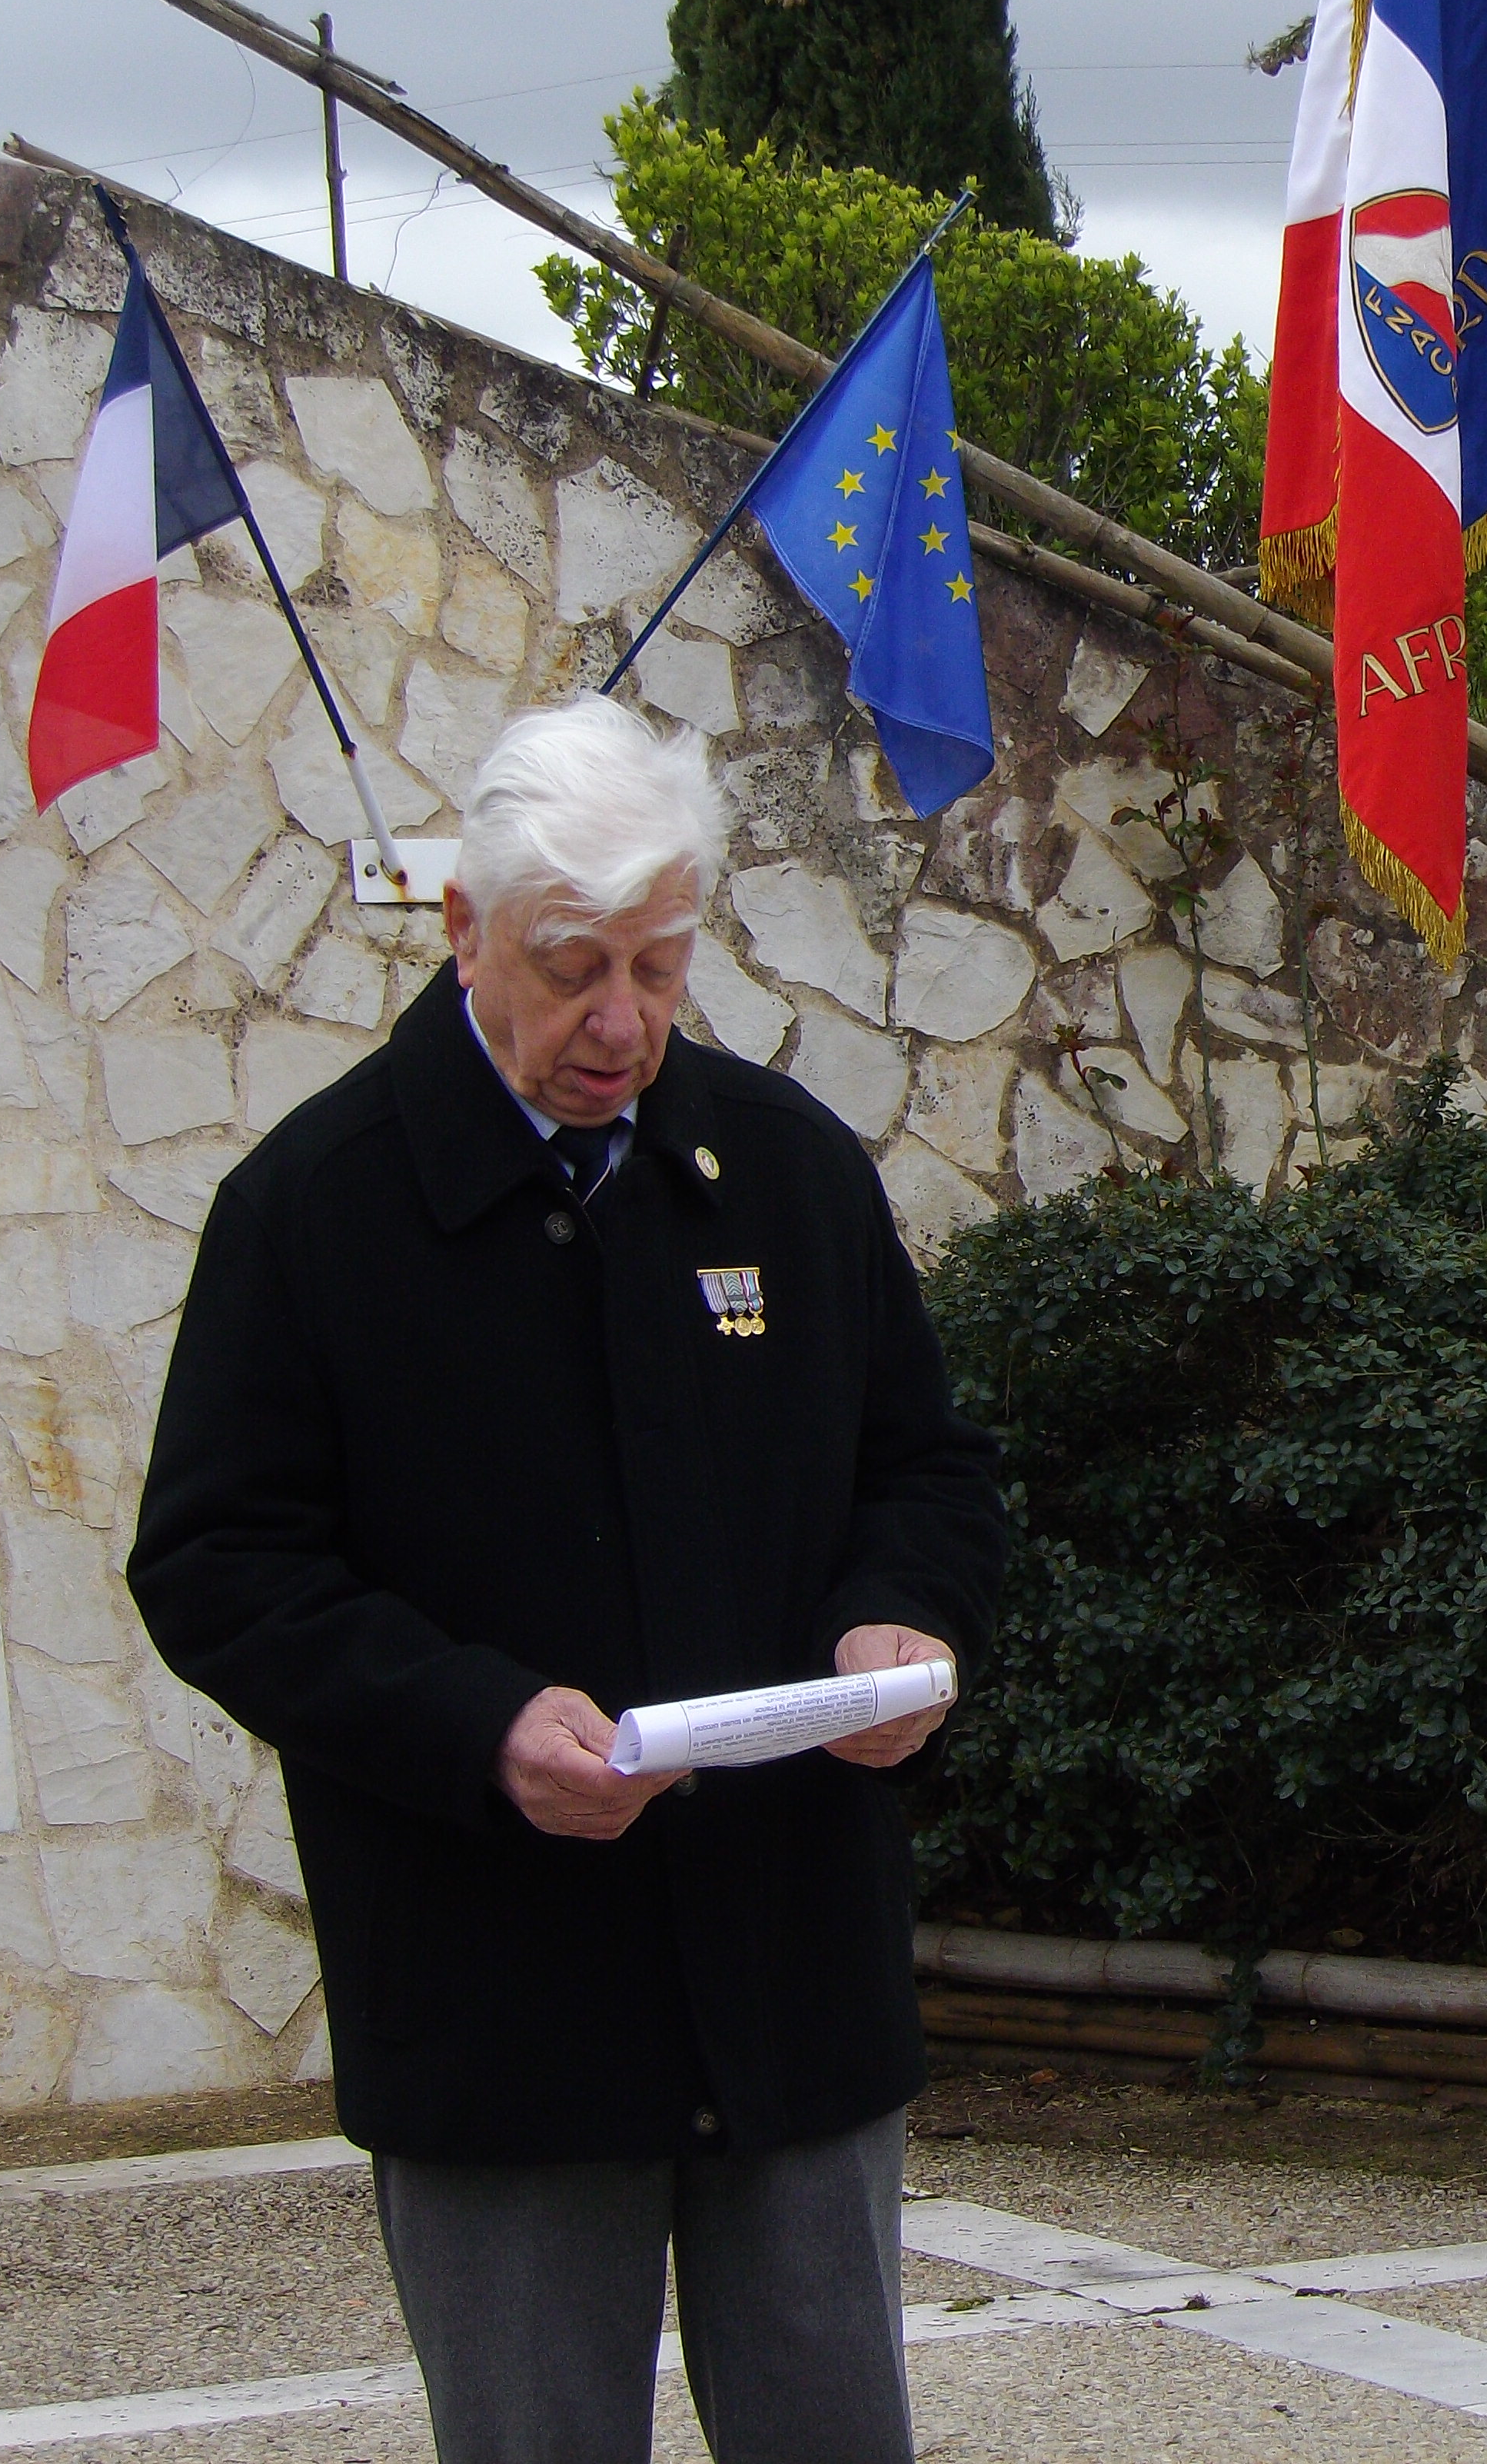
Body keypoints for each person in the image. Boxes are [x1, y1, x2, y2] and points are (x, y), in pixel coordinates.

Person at [130, 698, 1006, 2461]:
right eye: (572, 966)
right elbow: (217, 1560)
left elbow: (926, 1463)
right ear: (464, 926)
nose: (624, 1022)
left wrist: (903, 1615)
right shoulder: (312, 1209)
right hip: (498, 2003)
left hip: (789, 1971)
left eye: (664, 965)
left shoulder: (786, 1167)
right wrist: (472, 1722)